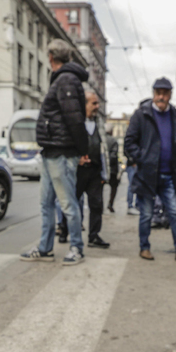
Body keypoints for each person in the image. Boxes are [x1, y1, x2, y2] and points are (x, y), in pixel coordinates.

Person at [22, 39, 88, 265]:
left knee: (68, 203)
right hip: (51, 152)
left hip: (62, 153)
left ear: (51, 56)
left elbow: (75, 119)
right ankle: (45, 248)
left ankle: (77, 248)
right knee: (46, 203)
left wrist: (83, 150)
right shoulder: (62, 80)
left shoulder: (66, 80)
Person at [123, 77, 176, 263]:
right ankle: (144, 248)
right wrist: (142, 158)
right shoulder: (141, 114)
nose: (161, 96)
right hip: (147, 175)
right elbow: (129, 142)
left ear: (170, 95)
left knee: (174, 212)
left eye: (165, 93)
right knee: (147, 214)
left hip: (168, 175)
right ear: (153, 93)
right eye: (158, 92)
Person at [59, 91, 109, 248]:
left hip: (94, 171)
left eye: (97, 103)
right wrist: (76, 157)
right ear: (84, 104)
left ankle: (93, 236)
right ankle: (64, 231)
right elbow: (66, 144)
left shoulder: (98, 122)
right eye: (94, 103)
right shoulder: (74, 122)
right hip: (77, 171)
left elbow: (103, 148)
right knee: (71, 202)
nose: (97, 106)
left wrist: (104, 173)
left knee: (96, 204)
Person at [106, 125, 121, 213]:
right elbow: (114, 155)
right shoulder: (113, 141)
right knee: (114, 187)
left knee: (99, 187)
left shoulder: (101, 139)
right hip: (112, 169)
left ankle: (100, 204)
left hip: (102, 168)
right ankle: (110, 203)